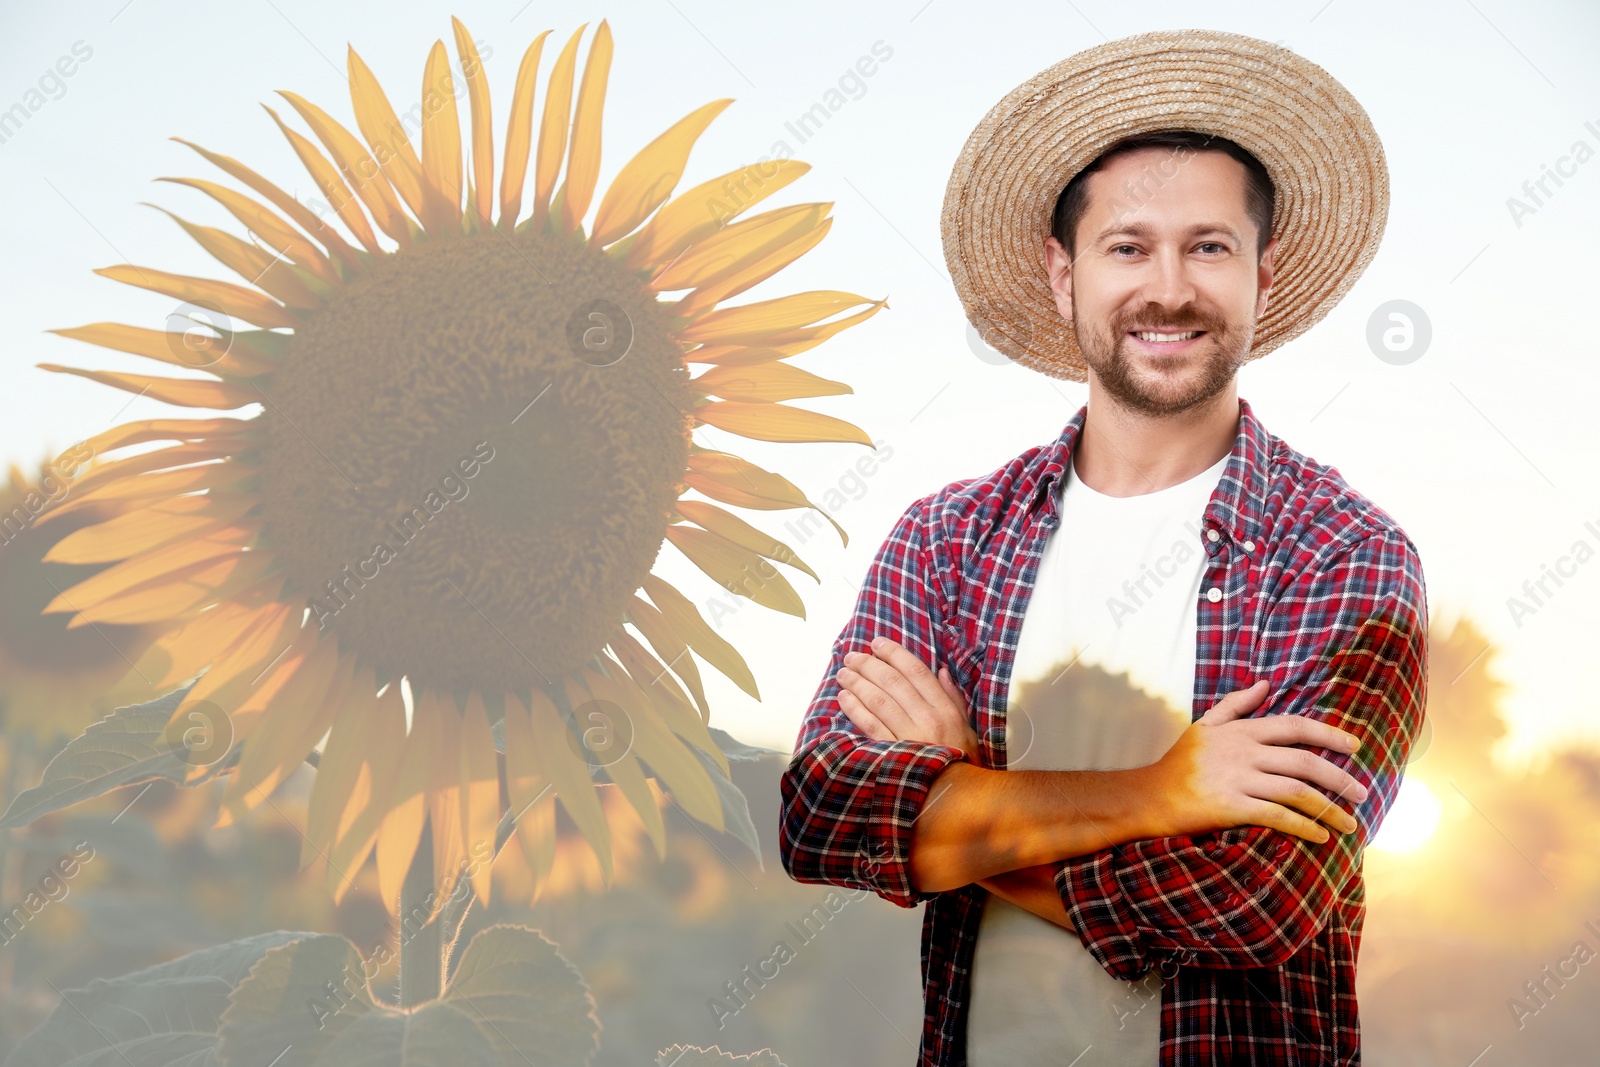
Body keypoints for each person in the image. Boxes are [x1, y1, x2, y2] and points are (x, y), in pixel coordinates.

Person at [778, 29, 1429, 1067]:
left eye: (1207, 246)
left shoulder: (1343, 556)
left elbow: (1255, 898)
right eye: (1127, 246)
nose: (1166, 288)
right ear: (1061, 272)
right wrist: (1157, 793)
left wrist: (956, 793)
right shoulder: (946, 539)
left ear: (1265, 271)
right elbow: (824, 814)